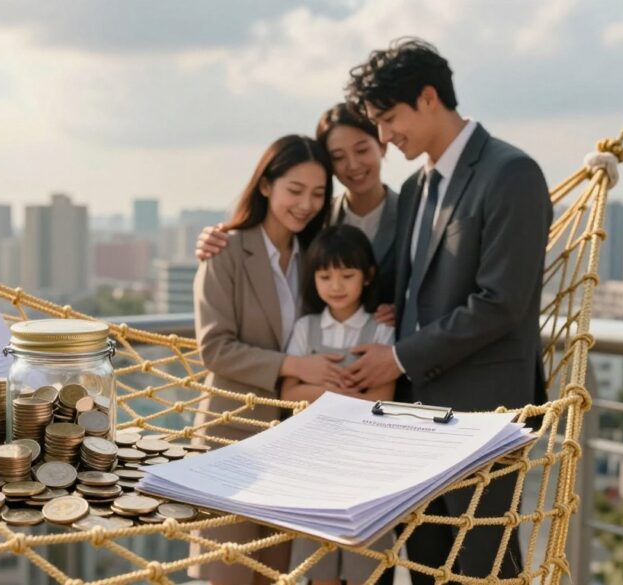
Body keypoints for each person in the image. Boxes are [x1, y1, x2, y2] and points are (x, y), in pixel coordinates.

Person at [342, 38, 551, 583]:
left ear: (429, 97)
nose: (384, 137)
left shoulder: (511, 172)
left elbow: (502, 302)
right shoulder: (414, 187)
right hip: (413, 419)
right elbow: (398, 289)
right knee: (428, 569)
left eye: (389, 119)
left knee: (483, 572)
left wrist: (399, 359)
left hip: (483, 418)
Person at [192, 134, 335, 585]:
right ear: (267, 186)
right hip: (232, 440)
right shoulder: (227, 249)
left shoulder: (316, 257)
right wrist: (294, 366)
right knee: (227, 576)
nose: (306, 204)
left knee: (276, 577)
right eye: (296, 190)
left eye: (318, 193)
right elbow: (214, 347)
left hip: (295, 443)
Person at [281, 224, 396, 585]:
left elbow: (381, 401)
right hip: (313, 465)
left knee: (367, 568)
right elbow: (287, 396)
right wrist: (345, 395)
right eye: (325, 275)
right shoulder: (305, 327)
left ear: (367, 277)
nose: (335, 285)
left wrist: (317, 389)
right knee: (319, 568)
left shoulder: (381, 331)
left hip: (368, 467)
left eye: (347, 275)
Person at [197, 102, 399, 306]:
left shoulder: (412, 213)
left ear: (382, 145)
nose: (353, 165)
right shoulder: (315, 221)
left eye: (362, 150)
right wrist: (215, 239)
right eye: (338, 157)